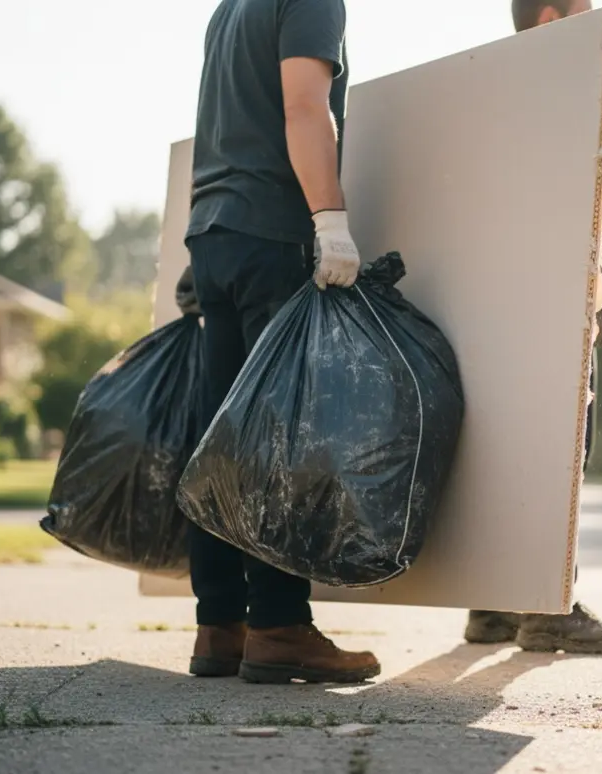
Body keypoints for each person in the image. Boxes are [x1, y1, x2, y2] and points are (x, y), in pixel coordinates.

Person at [183, 0, 379, 685]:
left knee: (222, 434)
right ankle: (279, 626)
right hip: (270, 231)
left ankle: (221, 626)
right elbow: (304, 106)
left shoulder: (229, 9)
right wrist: (330, 220)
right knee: (277, 433)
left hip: (215, 230)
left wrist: (209, 232)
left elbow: (217, 129)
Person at [463, 0, 602, 655]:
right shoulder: (553, 88)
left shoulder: (495, 88)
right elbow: (569, 202)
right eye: (586, 9)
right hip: (547, 300)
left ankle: (493, 605)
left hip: (505, 303)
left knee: (510, 449)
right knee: (563, 451)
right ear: (550, 18)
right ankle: (547, 609)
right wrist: (592, 292)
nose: (597, 20)